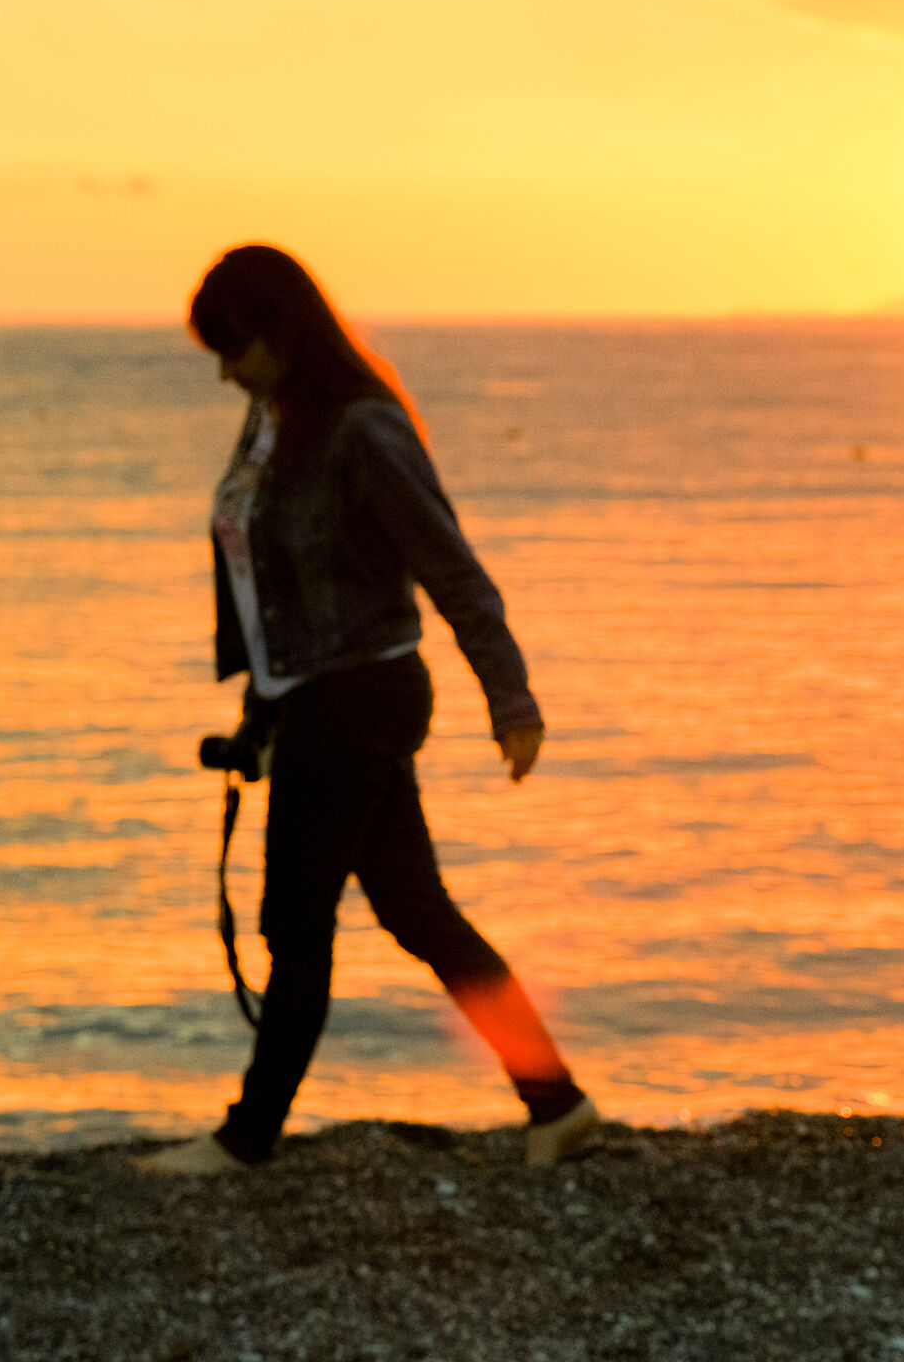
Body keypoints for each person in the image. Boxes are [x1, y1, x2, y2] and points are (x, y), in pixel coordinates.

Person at [137, 244, 597, 1175]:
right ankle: (556, 1101)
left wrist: (511, 700)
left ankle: (245, 1139)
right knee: (417, 913)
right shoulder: (271, 424)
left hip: (360, 699)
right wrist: (262, 716)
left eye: (235, 349)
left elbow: (451, 567)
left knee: (295, 926)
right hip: (313, 700)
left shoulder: (361, 430)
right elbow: (267, 587)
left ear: (283, 333)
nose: (224, 372)